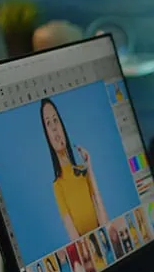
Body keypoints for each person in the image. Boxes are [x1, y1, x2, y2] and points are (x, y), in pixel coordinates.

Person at [42, 98, 108, 239]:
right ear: (47, 136)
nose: (54, 127)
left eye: (55, 120)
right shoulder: (58, 185)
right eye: (48, 123)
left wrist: (90, 167)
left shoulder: (83, 170)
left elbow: (103, 216)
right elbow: (72, 232)